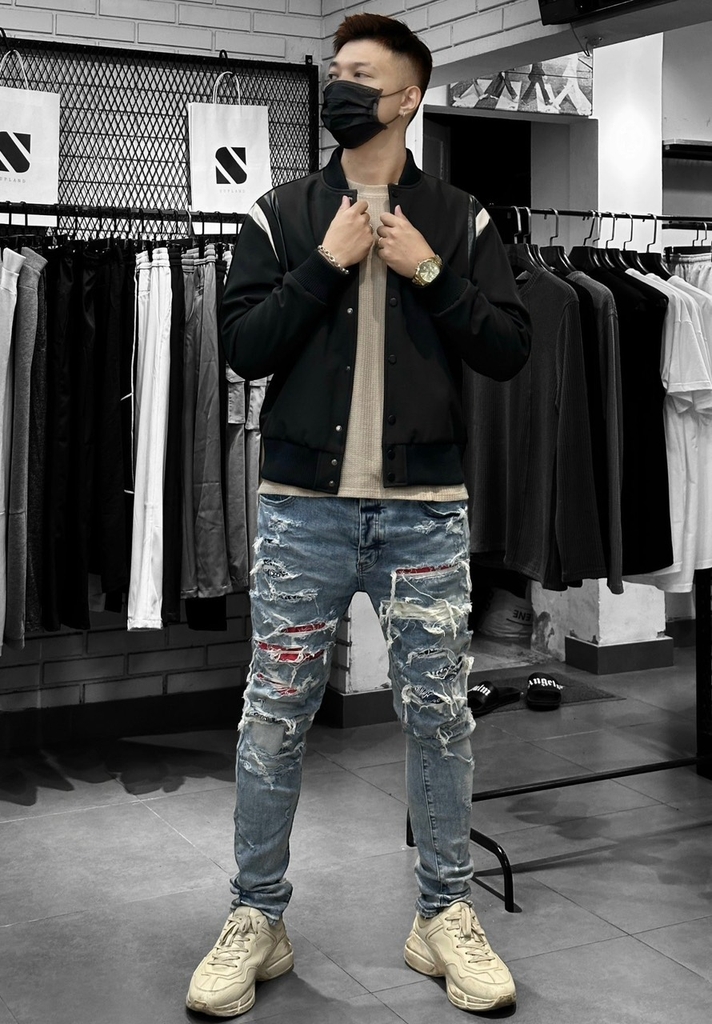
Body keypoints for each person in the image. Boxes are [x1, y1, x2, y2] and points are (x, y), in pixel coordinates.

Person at [186, 13, 531, 1018]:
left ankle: (443, 915)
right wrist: (327, 261)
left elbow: (507, 348)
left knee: (439, 720)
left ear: (408, 97)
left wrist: (427, 267)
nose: (339, 86)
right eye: (334, 70)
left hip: (424, 514)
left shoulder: (463, 219)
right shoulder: (281, 213)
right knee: (273, 719)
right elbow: (244, 347)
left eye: (360, 74)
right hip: (305, 511)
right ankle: (256, 915)